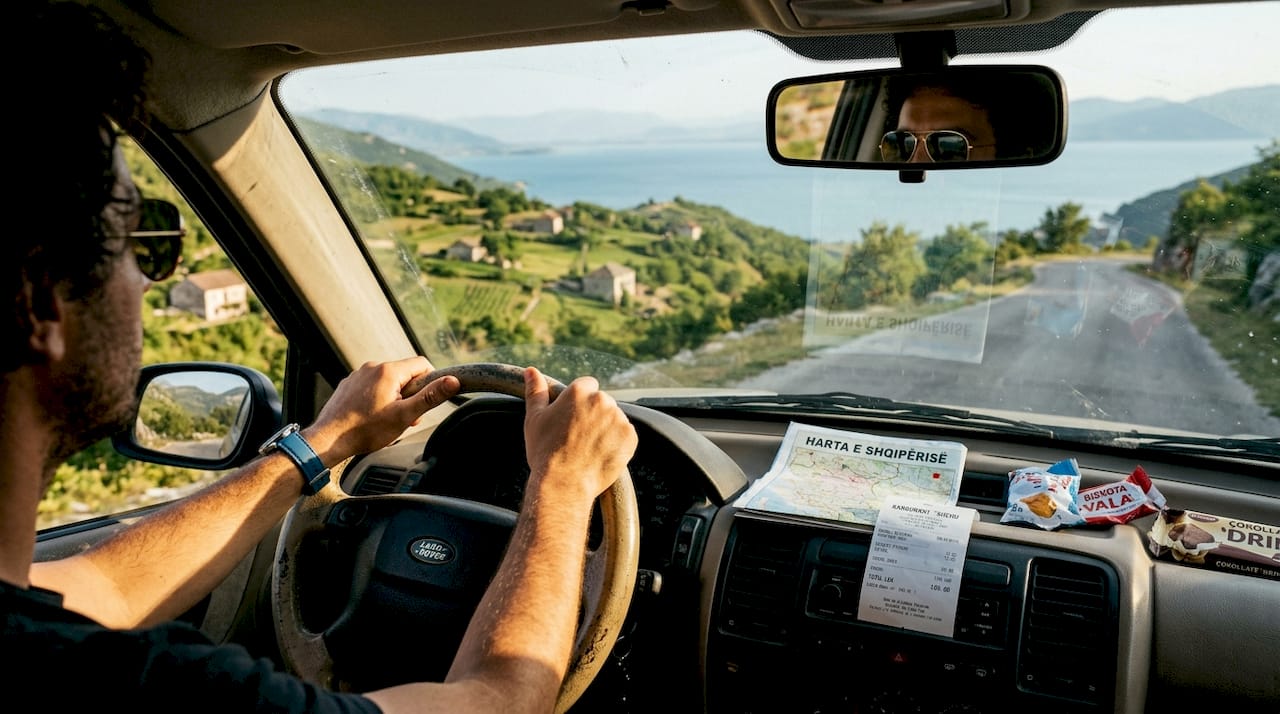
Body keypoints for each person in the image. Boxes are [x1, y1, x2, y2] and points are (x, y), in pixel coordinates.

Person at [2, 3, 638, 713]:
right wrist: (562, 487)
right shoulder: (162, 688)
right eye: (140, 241)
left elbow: (105, 588)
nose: (148, 283)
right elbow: (502, 701)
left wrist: (324, 442)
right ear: (40, 299)